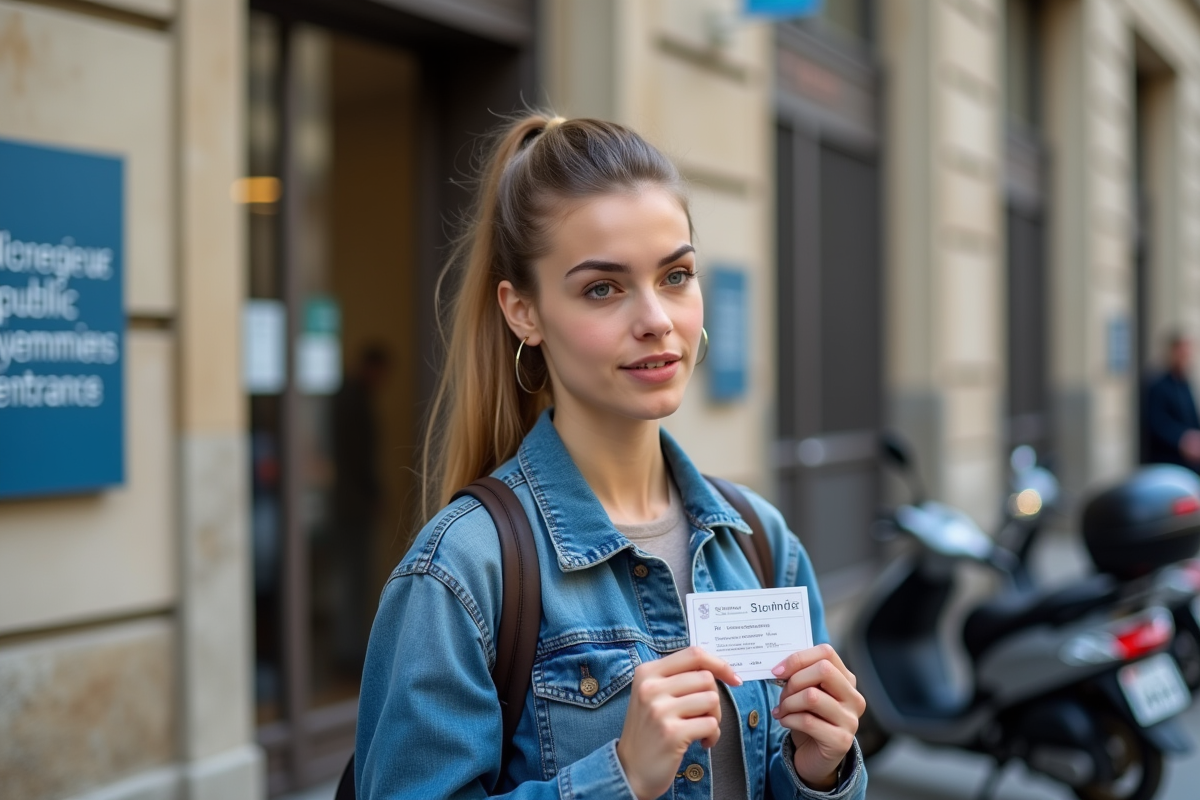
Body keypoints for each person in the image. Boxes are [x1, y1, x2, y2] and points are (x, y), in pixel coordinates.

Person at [355, 114, 867, 799]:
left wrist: (820, 772)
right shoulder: (460, 572)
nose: (656, 318)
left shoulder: (760, 542)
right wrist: (619, 777)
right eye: (603, 288)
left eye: (676, 275)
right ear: (523, 313)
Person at [1144, 332, 1200, 471]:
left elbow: (1191, 419)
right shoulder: (1158, 385)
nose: (1185, 355)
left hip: (1189, 463)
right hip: (1167, 461)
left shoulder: (1185, 384)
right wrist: (1182, 440)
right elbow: (1156, 423)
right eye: (1181, 350)